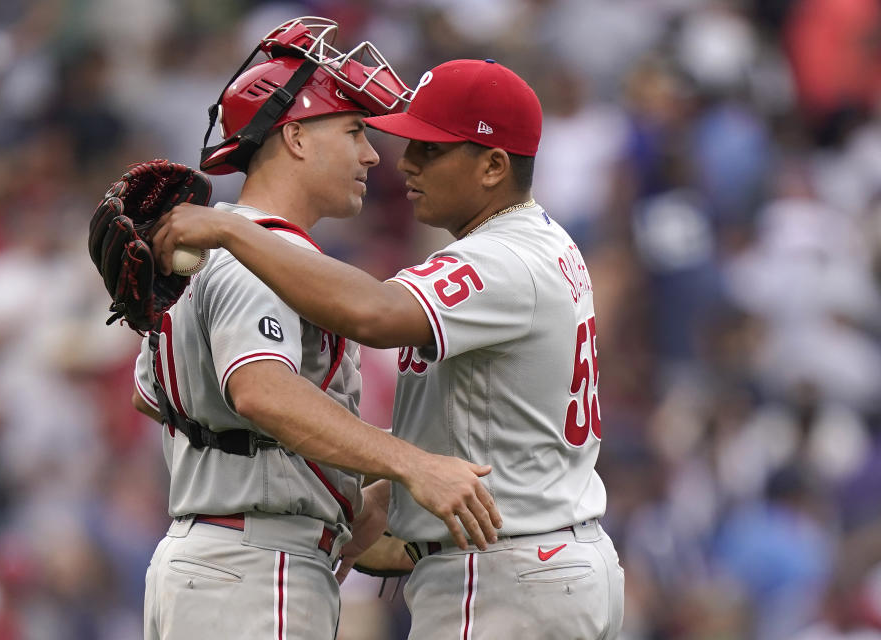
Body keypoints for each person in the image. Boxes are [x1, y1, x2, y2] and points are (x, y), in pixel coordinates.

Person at [151, 58, 624, 639]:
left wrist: (231, 231)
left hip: (509, 573)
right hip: (532, 566)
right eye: (365, 134)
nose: (400, 161)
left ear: (494, 166)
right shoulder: (541, 244)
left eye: (431, 149)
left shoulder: (506, 257)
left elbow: (373, 313)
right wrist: (389, 493)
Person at [133, 21, 501, 640]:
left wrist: (346, 485)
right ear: (296, 137)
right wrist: (410, 463)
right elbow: (260, 392)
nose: (371, 154)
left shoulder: (216, 243)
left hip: (214, 563)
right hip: (253, 568)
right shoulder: (258, 251)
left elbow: (152, 399)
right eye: (354, 130)